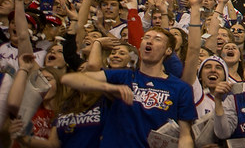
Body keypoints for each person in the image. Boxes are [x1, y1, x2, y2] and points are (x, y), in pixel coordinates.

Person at [62, 26, 197, 148]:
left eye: (157, 39)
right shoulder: (123, 77)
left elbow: (185, 136)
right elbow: (69, 79)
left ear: (168, 50)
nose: (149, 41)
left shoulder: (181, 88)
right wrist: (108, 88)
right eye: (146, 38)